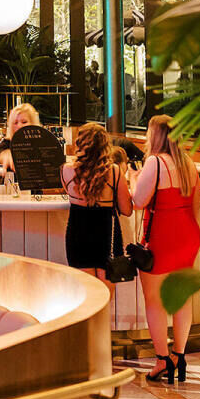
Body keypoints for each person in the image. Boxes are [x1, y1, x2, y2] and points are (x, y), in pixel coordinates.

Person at [132, 114, 200, 385]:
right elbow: (195, 206)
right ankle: (179, 355)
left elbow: (138, 202)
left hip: (162, 236)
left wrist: (134, 177)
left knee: (155, 300)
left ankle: (162, 360)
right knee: (183, 298)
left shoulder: (155, 162)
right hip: (188, 235)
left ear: (156, 135)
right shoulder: (188, 164)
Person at [60, 123, 133, 298]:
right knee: (105, 298)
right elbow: (127, 210)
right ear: (104, 145)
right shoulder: (114, 172)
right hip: (105, 237)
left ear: (79, 143)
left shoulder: (66, 171)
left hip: (78, 236)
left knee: (86, 297)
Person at [0, 103, 42, 173]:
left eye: (24, 122)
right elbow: (2, 154)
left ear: (33, 123)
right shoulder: (7, 142)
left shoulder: (42, 142)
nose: (19, 126)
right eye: (15, 122)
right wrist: (8, 156)